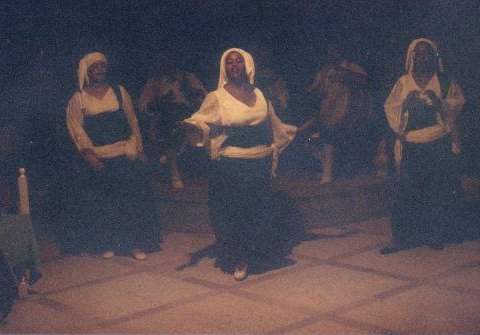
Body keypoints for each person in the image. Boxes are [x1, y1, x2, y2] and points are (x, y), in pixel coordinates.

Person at [183, 48, 302, 281]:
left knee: (258, 214)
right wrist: (190, 126)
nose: (235, 66)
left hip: (259, 164)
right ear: (224, 68)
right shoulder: (216, 97)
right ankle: (240, 259)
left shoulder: (260, 94)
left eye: (239, 61)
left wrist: (288, 134)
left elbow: (273, 123)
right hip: (231, 166)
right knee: (235, 215)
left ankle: (256, 257)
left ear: (247, 65)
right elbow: (201, 121)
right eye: (230, 63)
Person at [65, 52, 161, 260]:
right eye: (95, 67)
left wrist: (140, 149)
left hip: (124, 154)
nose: (100, 70)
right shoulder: (79, 98)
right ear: (88, 71)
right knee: (106, 205)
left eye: (102, 66)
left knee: (131, 201)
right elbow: (77, 130)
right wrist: (90, 156)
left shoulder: (119, 92)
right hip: (100, 158)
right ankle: (110, 243)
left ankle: (134, 245)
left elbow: (132, 121)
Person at [380, 38, 465, 254]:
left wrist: (438, 103)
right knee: (405, 191)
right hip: (412, 143)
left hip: (436, 142)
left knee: (436, 189)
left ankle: (434, 234)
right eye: (418, 54)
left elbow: (456, 107)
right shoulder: (404, 82)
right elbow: (392, 107)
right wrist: (408, 104)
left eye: (426, 53)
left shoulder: (444, 82)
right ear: (412, 56)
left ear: (433, 57)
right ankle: (402, 237)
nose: (422, 57)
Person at [303, 50, 373, 183]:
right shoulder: (325, 70)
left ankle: (329, 173)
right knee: (319, 138)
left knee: (333, 139)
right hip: (328, 112)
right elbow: (315, 90)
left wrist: (345, 75)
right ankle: (326, 171)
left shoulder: (350, 67)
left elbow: (365, 80)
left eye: (335, 49)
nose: (332, 53)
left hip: (349, 114)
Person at [138, 55, 207, 188]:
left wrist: (190, 93)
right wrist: (159, 102)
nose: (166, 64)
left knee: (190, 128)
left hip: (190, 115)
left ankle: (174, 159)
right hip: (165, 118)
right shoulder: (155, 82)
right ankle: (174, 171)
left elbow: (204, 98)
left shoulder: (188, 78)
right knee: (170, 131)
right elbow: (143, 105)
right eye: (163, 62)